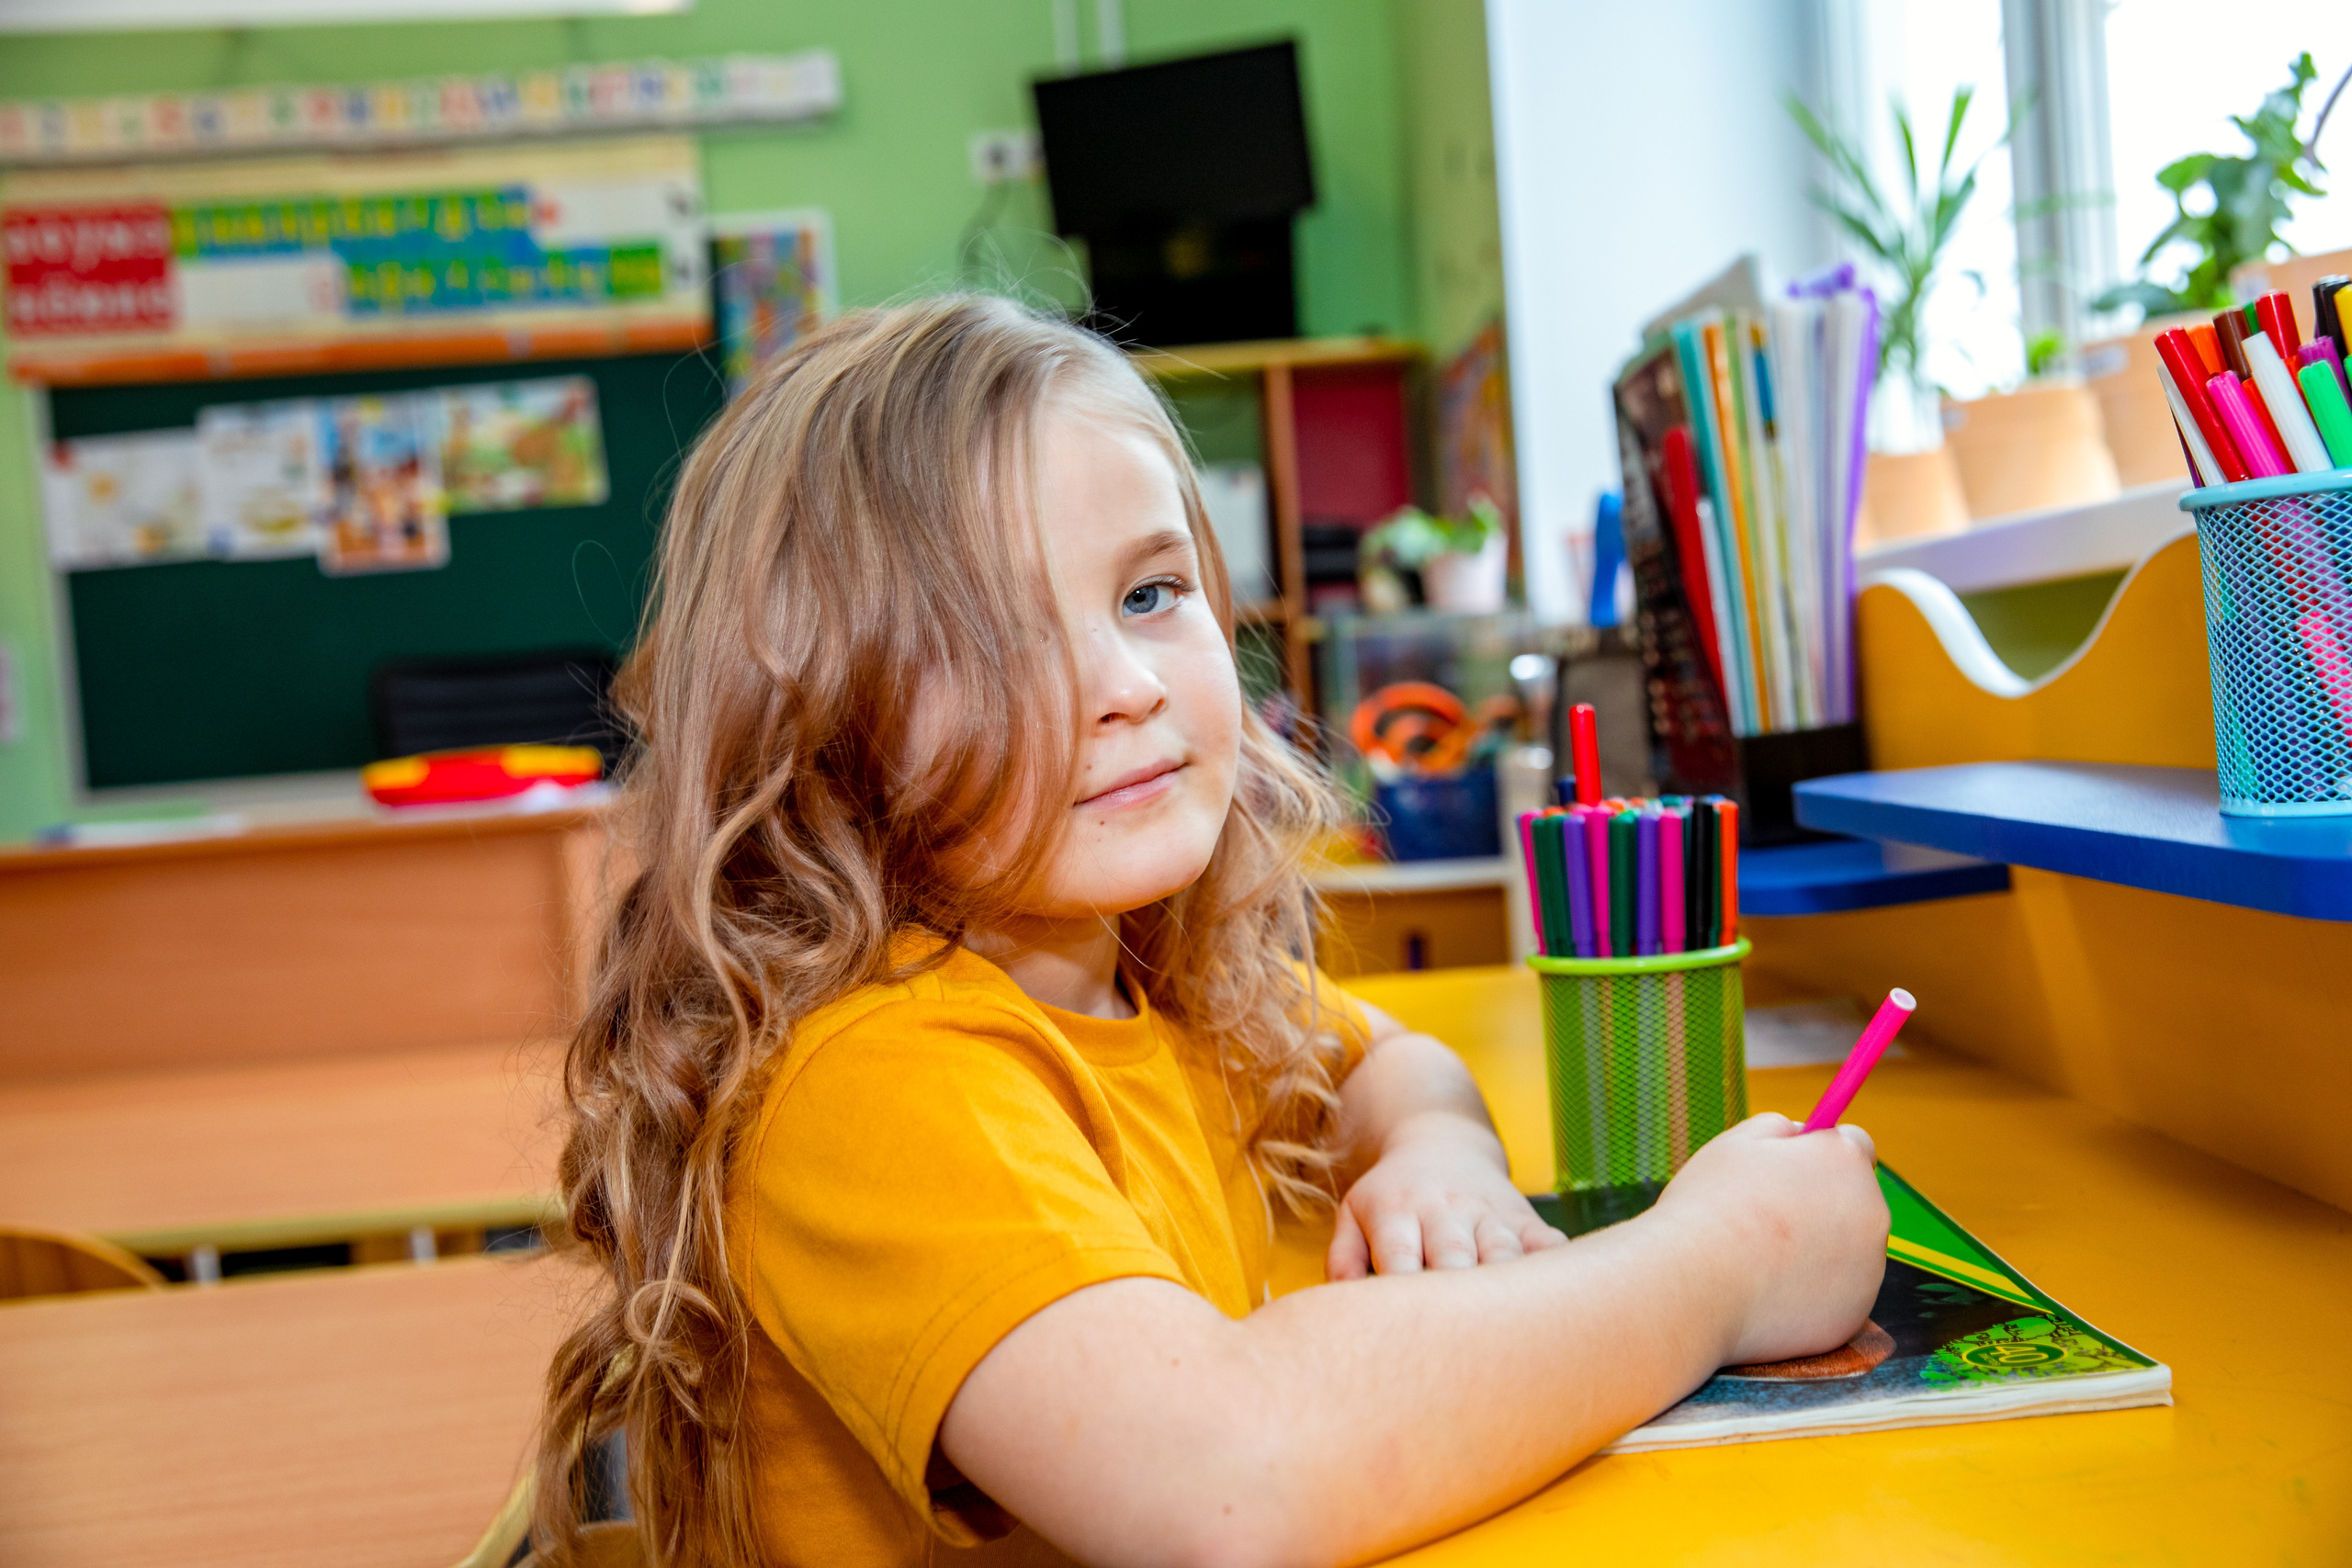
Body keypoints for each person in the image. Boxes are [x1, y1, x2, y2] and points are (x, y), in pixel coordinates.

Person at [533, 295, 1887, 1568]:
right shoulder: (874, 1079)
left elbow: (1390, 1059)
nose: (1125, 686)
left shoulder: (1140, 975)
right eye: (995, 640)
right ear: (817, 720)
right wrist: (1722, 1266)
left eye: (1147, 594)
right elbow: (1227, 1484)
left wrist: (1439, 1156)